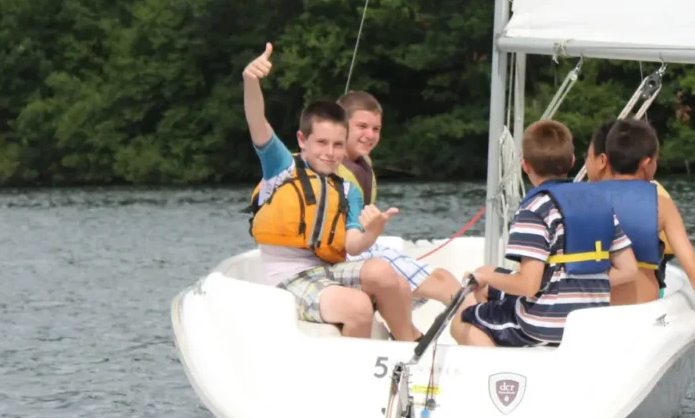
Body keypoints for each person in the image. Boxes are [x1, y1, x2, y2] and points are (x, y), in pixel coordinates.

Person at [241, 43, 416, 341]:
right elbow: (257, 122)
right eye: (321, 143)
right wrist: (251, 81)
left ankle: (410, 347)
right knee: (358, 306)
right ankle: (351, 377)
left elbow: (353, 243)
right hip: (288, 279)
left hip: (329, 271)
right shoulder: (282, 167)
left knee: (385, 274)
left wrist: (373, 230)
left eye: (338, 145)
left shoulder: (346, 188)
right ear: (302, 140)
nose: (330, 153)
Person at [450, 120, 638, 348]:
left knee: (465, 319)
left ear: (525, 165)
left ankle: (504, 374)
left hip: (543, 324)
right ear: (571, 161)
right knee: (486, 273)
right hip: (588, 323)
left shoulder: (534, 209)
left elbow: (529, 285)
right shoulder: (600, 202)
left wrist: (487, 279)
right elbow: (629, 270)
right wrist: (576, 282)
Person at [602, 119, 695, 358]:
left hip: (594, 317)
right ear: (647, 162)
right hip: (642, 316)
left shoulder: (580, 200)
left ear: (607, 160)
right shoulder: (660, 204)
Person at [337, 90, 461, 306]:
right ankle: (480, 324)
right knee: (442, 284)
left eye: (376, 129)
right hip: (348, 254)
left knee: (440, 280)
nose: (370, 135)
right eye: (362, 126)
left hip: (366, 247)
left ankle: (410, 336)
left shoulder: (364, 160)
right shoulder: (327, 165)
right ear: (341, 125)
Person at [586, 119, 674, 300]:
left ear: (602, 160)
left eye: (587, 157)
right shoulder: (656, 198)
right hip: (645, 297)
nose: (585, 163)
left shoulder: (582, 200)